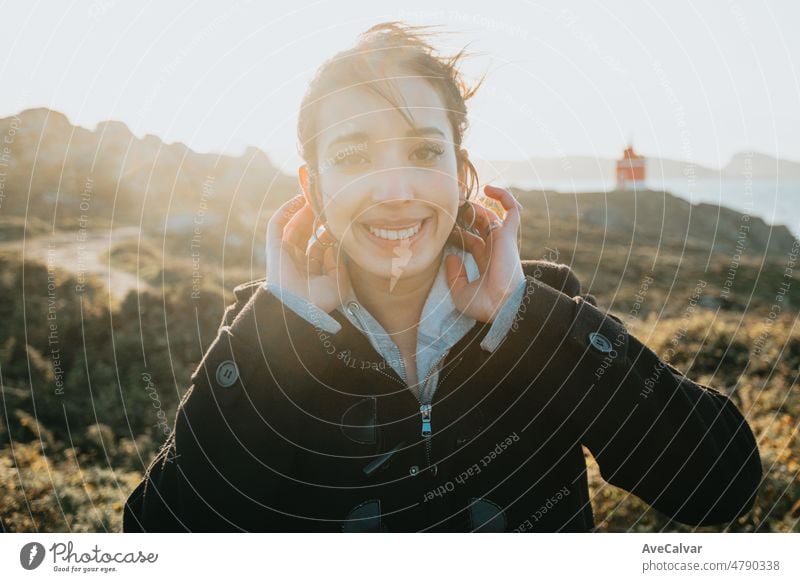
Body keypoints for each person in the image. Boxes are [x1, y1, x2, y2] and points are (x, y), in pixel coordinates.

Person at [123, 21, 761, 532]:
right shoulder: (266, 337)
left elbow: (721, 484)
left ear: (461, 174)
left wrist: (521, 315)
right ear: (312, 188)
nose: (395, 190)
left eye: (424, 151)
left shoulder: (541, 312)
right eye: (353, 155)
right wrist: (280, 331)